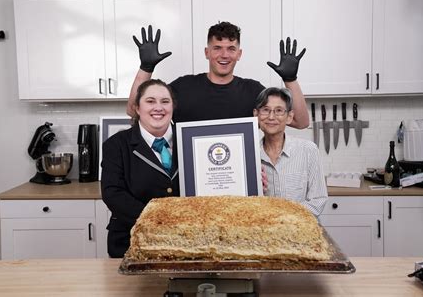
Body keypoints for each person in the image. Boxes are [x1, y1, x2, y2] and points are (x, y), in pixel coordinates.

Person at [127, 22, 309, 129]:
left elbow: (300, 122)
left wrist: (290, 80)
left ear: (239, 54)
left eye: (231, 49)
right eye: (217, 48)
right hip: (188, 181)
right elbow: (133, 110)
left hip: (240, 183)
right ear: (207, 52)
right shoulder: (183, 87)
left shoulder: (253, 91)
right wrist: (146, 68)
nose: (224, 55)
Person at [101, 79, 179, 258]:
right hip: (131, 239)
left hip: (182, 240)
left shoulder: (190, 141)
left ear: (173, 107)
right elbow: (113, 193)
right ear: (137, 108)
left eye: (165, 102)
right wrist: (156, 222)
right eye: (150, 101)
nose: (158, 107)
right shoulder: (116, 145)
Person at [254, 87, 328, 216]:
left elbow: (318, 200)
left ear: (289, 117)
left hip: (300, 229)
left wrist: (284, 217)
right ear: (256, 115)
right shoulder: (249, 155)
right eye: (265, 110)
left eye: (279, 111)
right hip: (263, 230)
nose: (271, 117)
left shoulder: (308, 150)